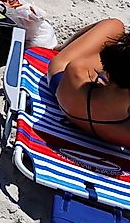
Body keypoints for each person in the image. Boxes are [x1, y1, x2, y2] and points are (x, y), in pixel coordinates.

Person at [48, 19, 130, 148]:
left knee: (114, 25)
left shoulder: (77, 69)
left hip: (67, 93)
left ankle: (62, 48)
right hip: (116, 128)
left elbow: (107, 59)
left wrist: (122, 52)